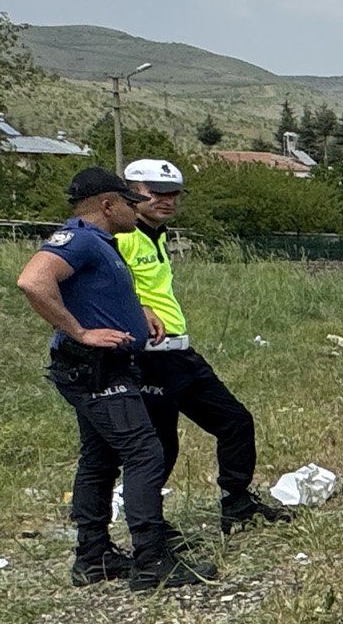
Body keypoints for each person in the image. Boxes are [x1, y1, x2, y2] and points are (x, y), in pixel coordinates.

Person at [15, 168, 216, 589]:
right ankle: (151, 558)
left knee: (99, 457)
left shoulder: (101, 244)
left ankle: (93, 554)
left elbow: (96, 293)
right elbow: (33, 281)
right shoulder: (82, 239)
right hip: (96, 369)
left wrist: (135, 314)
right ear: (107, 205)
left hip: (104, 366)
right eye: (128, 201)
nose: (135, 207)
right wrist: (81, 332)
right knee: (145, 452)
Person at [115, 158, 298, 535]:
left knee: (234, 420)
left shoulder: (157, 234)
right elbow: (109, 288)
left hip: (180, 352)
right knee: (160, 448)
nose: (167, 202)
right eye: (156, 194)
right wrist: (138, 309)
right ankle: (149, 528)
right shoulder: (122, 237)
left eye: (173, 195)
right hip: (148, 356)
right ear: (132, 193)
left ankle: (236, 501)